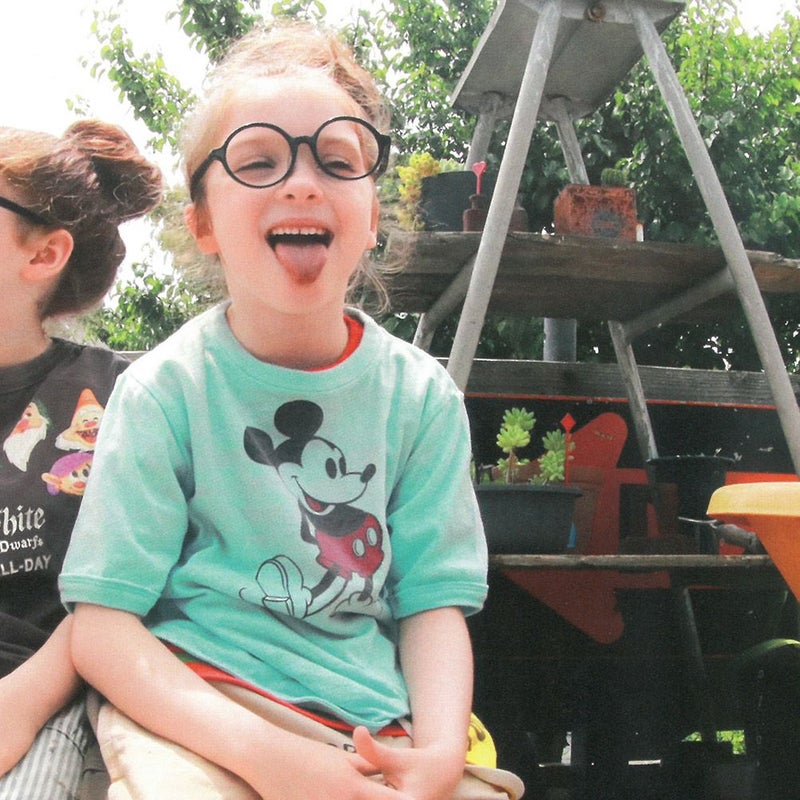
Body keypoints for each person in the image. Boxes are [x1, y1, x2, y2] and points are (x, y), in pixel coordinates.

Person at [60, 21, 524, 800]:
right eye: (258, 161)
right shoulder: (165, 392)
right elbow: (102, 628)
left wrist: (442, 751)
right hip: (200, 708)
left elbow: (433, 605)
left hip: (370, 723)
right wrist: (272, 761)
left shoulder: (422, 400)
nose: (302, 183)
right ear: (203, 222)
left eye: (337, 161)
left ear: (371, 217)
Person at [0, 121, 162, 797]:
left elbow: (141, 585)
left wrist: (21, 705)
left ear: (44, 254)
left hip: (45, 701)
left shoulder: (125, 397)